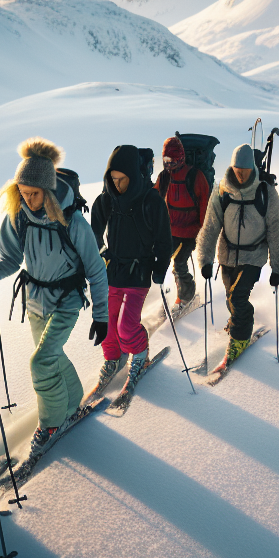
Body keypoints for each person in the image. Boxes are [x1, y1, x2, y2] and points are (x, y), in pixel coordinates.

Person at [0, 138, 108, 460]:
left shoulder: (73, 222)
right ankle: (71, 402)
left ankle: (51, 423)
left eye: (34, 194)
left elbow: (96, 270)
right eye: (23, 193)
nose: (28, 199)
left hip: (67, 300)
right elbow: (10, 261)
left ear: (48, 191)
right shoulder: (19, 217)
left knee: (41, 361)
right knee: (51, 355)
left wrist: (102, 316)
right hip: (35, 300)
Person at [91, 144, 172, 394]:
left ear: (133, 176)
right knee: (107, 321)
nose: (116, 184)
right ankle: (113, 359)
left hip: (138, 273)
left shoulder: (151, 200)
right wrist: (101, 252)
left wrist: (160, 267)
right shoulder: (107, 200)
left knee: (126, 326)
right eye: (112, 179)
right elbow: (93, 232)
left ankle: (140, 354)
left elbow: (164, 240)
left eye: (122, 179)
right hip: (113, 270)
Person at [197, 144, 279, 367]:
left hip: (254, 256)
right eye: (237, 169)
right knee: (231, 297)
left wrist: (278, 267)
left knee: (237, 296)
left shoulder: (266, 191)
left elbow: (276, 229)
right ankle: (238, 320)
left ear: (252, 169)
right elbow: (210, 225)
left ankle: (240, 337)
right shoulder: (222, 190)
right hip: (227, 254)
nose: (240, 174)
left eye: (244, 170)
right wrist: (205, 259)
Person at [155, 135, 210, 314]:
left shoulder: (196, 176)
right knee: (160, 260)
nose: (167, 164)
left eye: (170, 160)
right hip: (170, 230)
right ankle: (176, 291)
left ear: (179, 158)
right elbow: (153, 199)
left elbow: (205, 206)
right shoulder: (164, 177)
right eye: (165, 160)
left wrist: (202, 235)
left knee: (179, 263)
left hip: (191, 232)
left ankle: (187, 296)